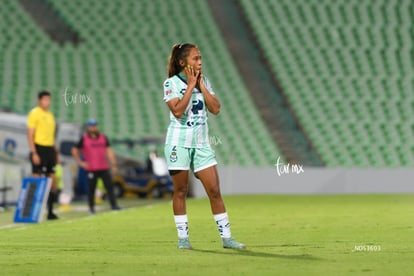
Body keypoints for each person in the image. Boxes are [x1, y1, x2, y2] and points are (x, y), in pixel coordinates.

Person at [163, 43, 245, 249]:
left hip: (201, 144)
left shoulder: (205, 81)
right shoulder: (171, 83)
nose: (200, 62)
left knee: (215, 190)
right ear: (183, 62)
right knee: (181, 191)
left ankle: (227, 238)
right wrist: (190, 86)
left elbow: (216, 108)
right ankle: (183, 239)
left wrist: (201, 86)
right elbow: (178, 111)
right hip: (178, 143)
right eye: (195, 58)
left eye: (200, 58)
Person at [71, 119, 121, 214]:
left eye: (94, 125)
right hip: (91, 168)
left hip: (103, 167)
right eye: (91, 126)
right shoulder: (84, 138)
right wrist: (81, 162)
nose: (93, 128)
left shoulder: (103, 137)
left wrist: (114, 164)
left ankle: (114, 205)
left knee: (109, 187)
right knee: (91, 189)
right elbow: (74, 150)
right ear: (88, 127)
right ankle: (91, 208)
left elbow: (109, 151)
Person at [27, 90, 59, 220]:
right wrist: (34, 152)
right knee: (36, 179)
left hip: (50, 149)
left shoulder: (50, 115)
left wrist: (55, 153)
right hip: (39, 148)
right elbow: (30, 134)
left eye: (49, 99)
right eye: (45, 99)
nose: (47, 102)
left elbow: (52, 136)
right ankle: (31, 212)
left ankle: (50, 212)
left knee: (51, 181)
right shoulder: (34, 113)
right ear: (39, 100)